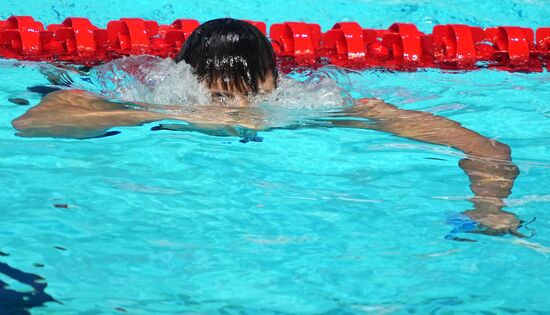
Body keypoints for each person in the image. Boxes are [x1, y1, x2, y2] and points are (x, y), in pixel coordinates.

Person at [11, 18, 522, 237]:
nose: (232, 108)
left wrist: (490, 208)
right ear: (179, 80)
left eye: (247, 95)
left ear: (278, 82)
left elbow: (484, 147)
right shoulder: (145, 93)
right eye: (214, 95)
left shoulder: (317, 102)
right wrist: (164, 113)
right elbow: (32, 124)